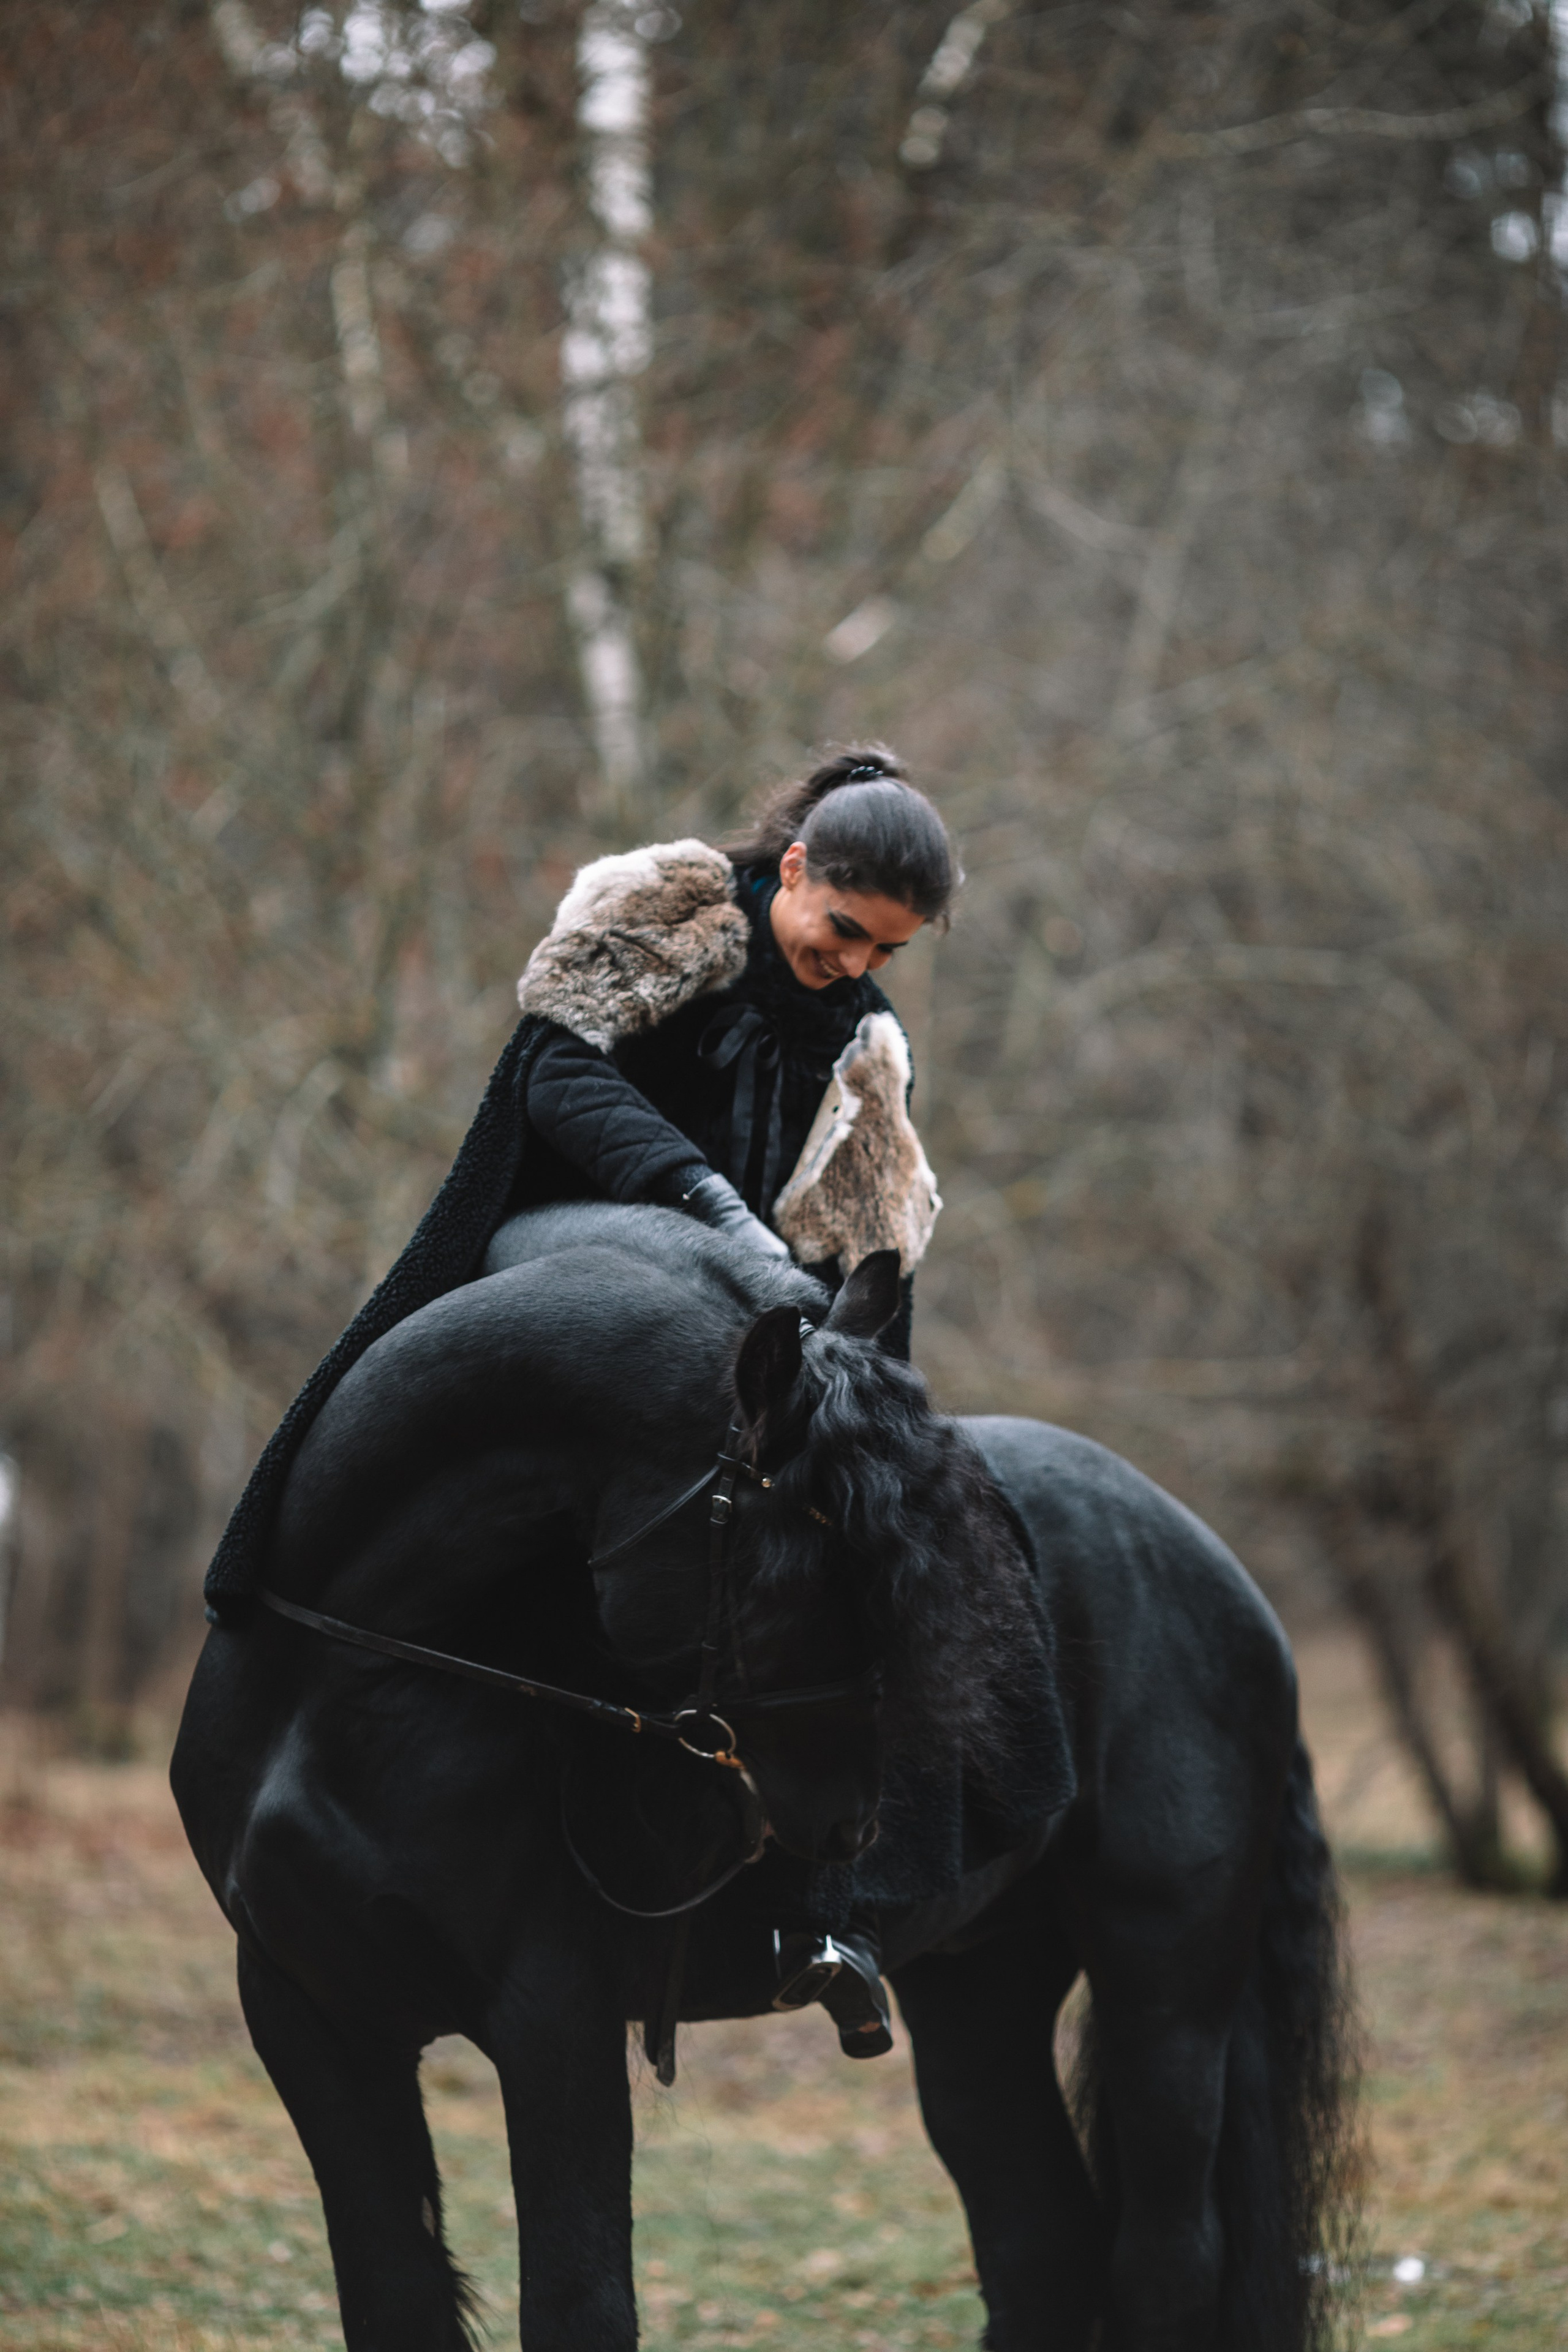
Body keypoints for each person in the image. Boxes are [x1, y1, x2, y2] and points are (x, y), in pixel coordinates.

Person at [202, 744, 960, 2058]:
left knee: (841, 1555)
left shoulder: (863, 1048)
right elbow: (555, 1078)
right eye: (841, 930)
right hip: (561, 1279)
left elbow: (853, 1241)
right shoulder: (665, 912)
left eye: (882, 952)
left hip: (732, 1338)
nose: (853, 965)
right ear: (791, 870)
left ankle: (824, 1903)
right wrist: (705, 1204)